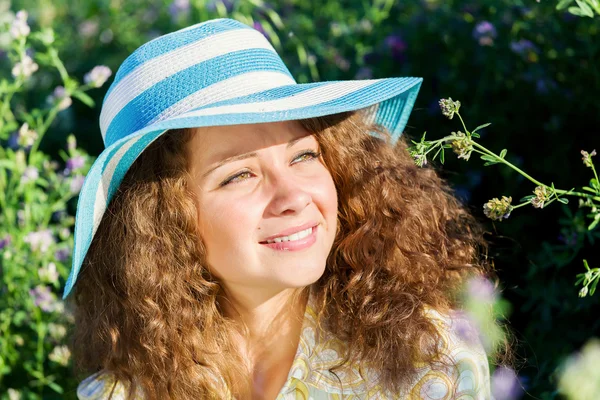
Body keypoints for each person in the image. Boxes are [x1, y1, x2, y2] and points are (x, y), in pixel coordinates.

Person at [65, 17, 498, 399]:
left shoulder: (427, 364)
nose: (293, 197)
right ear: (160, 222)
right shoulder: (123, 393)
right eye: (239, 175)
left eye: (303, 157)